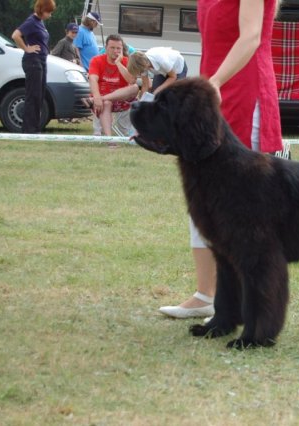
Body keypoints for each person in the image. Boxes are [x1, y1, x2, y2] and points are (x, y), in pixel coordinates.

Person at [158, 0, 283, 318]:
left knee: (242, 207)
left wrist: (215, 81)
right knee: (202, 193)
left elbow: (251, 37)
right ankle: (206, 295)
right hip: (213, 92)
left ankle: (244, 300)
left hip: (242, 89)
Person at [11, 0, 56, 134]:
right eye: (49, 12)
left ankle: (35, 127)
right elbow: (15, 35)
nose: (50, 15)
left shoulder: (40, 22)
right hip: (32, 60)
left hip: (41, 60)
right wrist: (26, 48)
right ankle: (29, 130)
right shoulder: (31, 21)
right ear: (42, 10)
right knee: (33, 95)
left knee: (40, 95)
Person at [84, 34, 139, 138]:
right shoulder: (96, 60)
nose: (115, 51)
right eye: (112, 48)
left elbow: (131, 81)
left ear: (122, 49)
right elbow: (93, 79)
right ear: (106, 48)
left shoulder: (127, 61)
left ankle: (98, 99)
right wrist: (96, 97)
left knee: (135, 87)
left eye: (118, 48)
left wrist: (118, 63)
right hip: (101, 101)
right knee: (106, 102)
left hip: (121, 100)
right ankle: (110, 140)